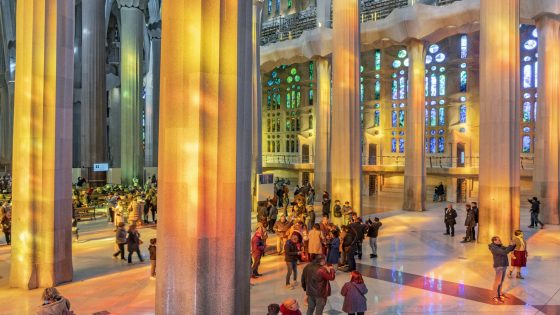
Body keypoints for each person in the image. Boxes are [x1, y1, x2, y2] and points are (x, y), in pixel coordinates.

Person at [488, 235, 516, 303]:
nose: (500, 240)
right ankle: (495, 296)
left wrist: (513, 245)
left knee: (501, 281)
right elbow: (504, 252)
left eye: (500, 239)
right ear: (494, 241)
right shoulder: (493, 248)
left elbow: (508, 249)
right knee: (497, 281)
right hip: (499, 266)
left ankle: (499, 294)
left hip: (504, 265)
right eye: (498, 240)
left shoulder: (500, 246)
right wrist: (510, 246)